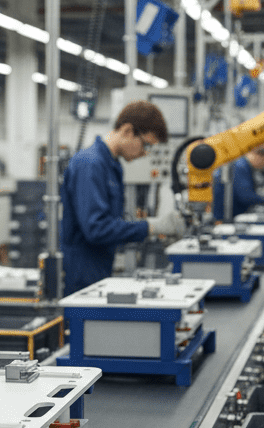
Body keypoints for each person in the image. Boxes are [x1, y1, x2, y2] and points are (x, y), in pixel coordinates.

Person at [61, 101, 182, 294]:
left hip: (99, 267)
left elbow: (112, 222)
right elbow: (96, 229)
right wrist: (151, 226)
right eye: (146, 145)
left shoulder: (113, 166)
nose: (145, 153)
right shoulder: (90, 164)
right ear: (127, 131)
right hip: (81, 274)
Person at [228, 146, 264, 217]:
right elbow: (246, 196)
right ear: (259, 156)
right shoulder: (241, 166)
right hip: (234, 214)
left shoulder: (245, 166)